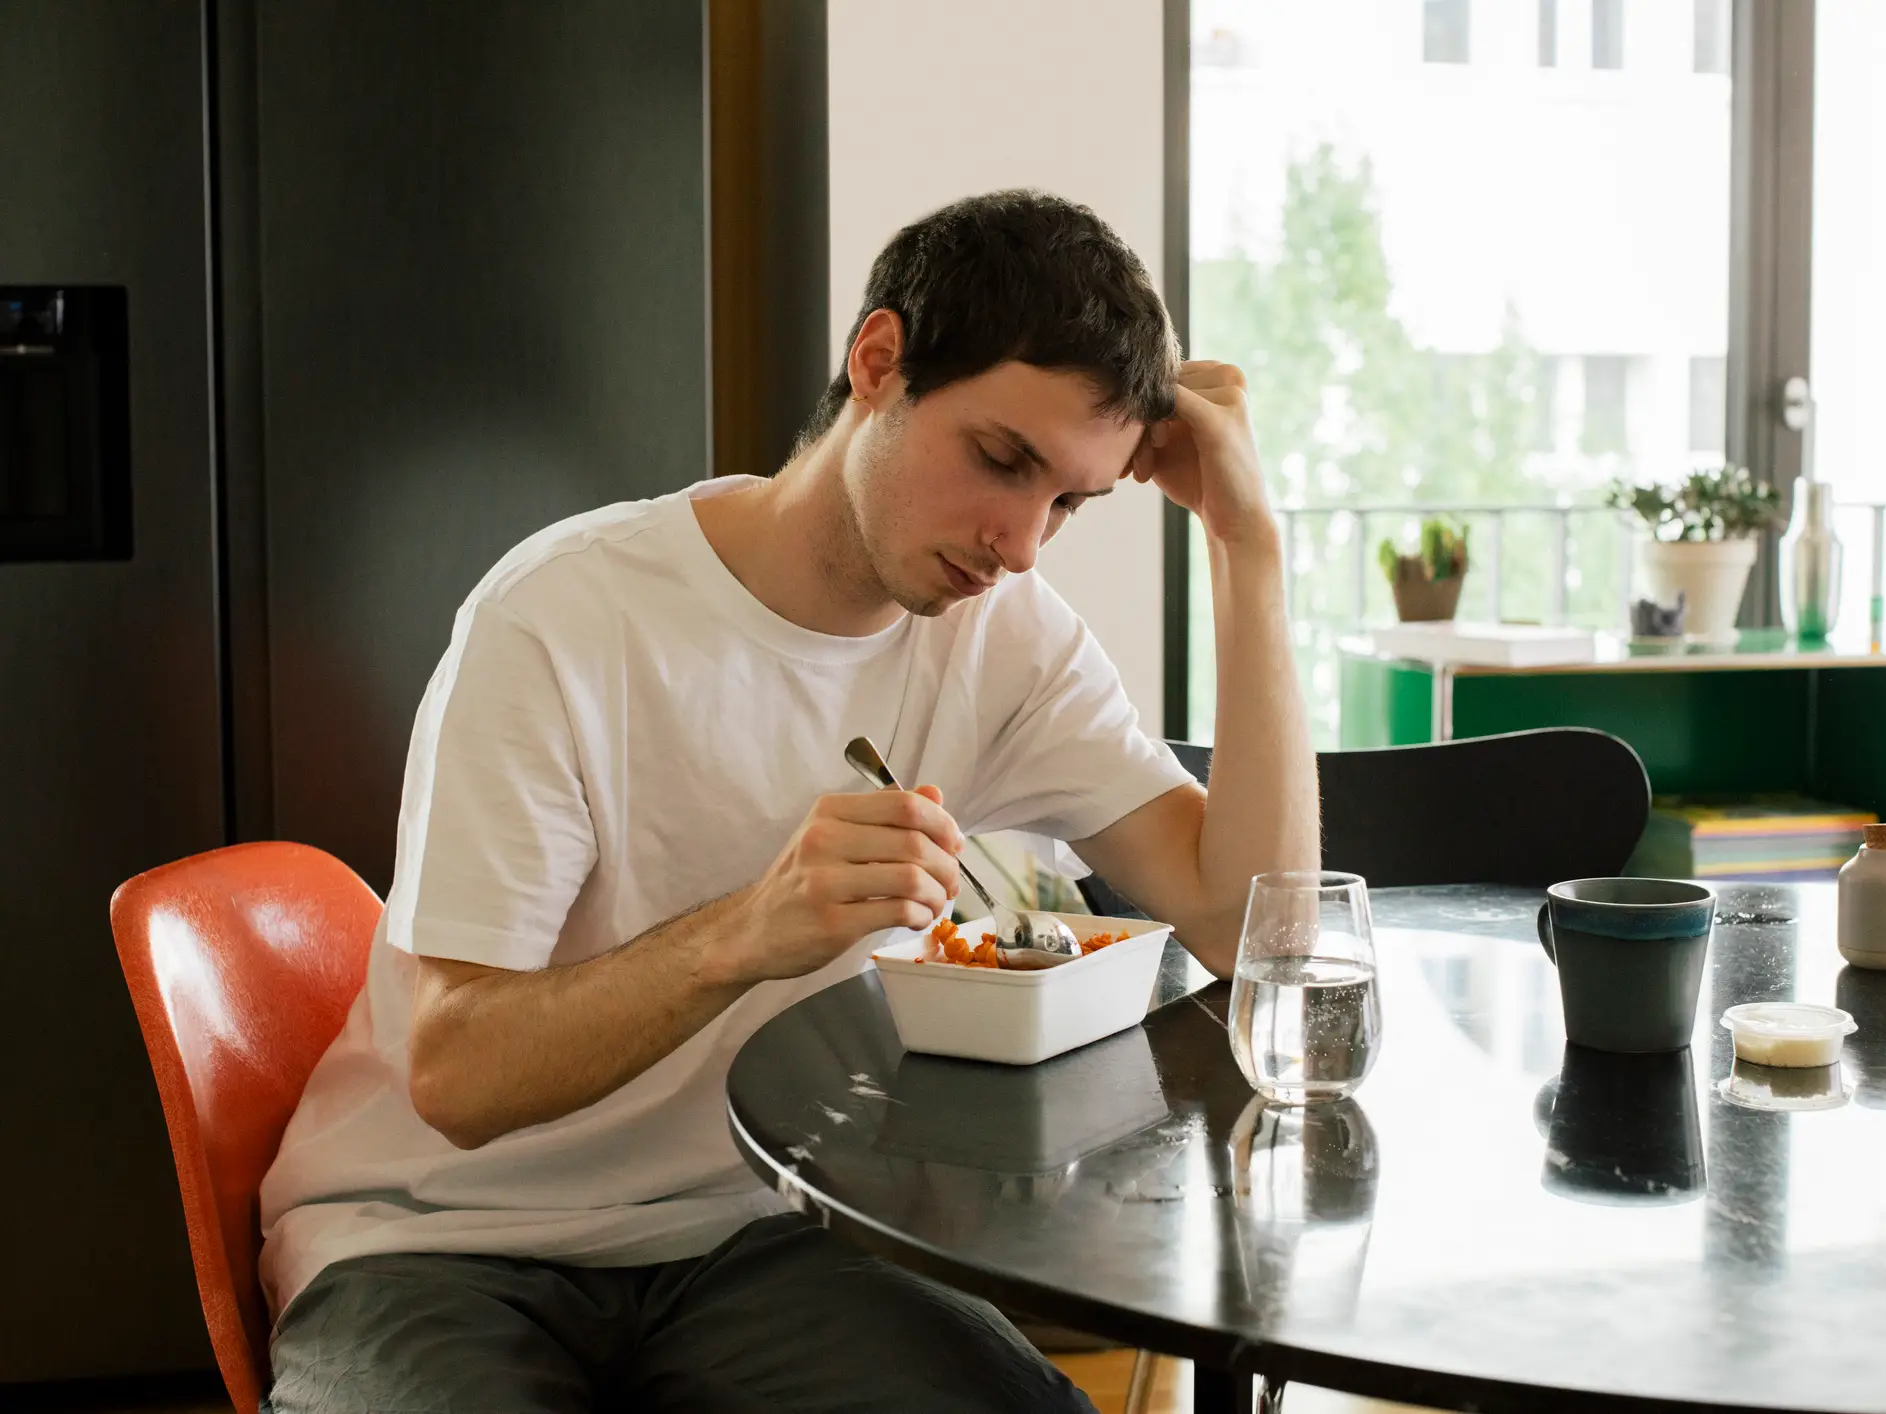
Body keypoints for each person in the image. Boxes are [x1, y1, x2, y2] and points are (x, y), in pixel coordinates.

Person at [258, 189, 1318, 1413]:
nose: (1021, 543)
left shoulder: (1007, 641)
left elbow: (1253, 928)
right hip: (435, 1239)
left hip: (759, 1232)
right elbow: (452, 1078)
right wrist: (745, 931)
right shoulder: (559, 618)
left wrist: (1251, 549)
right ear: (878, 363)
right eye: (1001, 460)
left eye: (1069, 502)